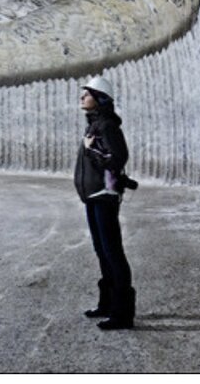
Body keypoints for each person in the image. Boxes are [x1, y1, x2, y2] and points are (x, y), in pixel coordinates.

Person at [73, 76, 135, 330]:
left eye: (87, 94)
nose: (82, 97)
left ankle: (123, 314)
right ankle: (107, 304)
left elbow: (118, 157)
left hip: (104, 197)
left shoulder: (107, 126)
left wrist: (93, 152)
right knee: (102, 251)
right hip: (92, 197)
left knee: (113, 253)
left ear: (100, 100)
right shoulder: (94, 125)